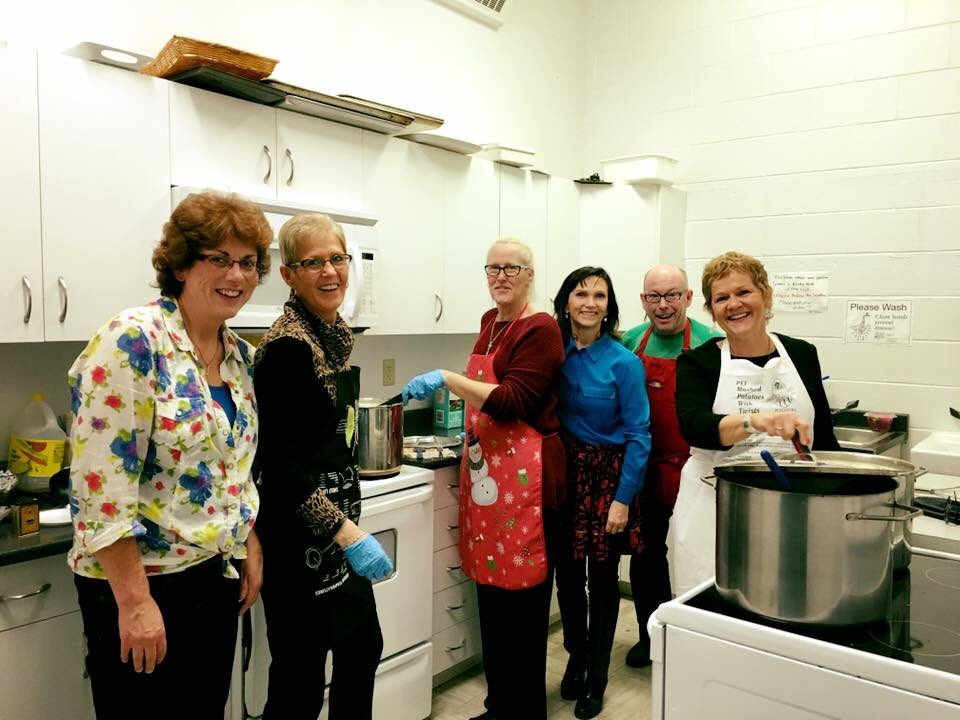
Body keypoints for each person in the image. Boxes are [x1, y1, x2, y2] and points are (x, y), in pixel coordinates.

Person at [67, 191, 271, 719]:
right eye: (219, 258)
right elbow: (101, 487)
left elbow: (233, 468)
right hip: (143, 583)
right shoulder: (133, 340)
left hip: (213, 576)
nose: (237, 275)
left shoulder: (240, 358)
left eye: (248, 262)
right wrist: (135, 603)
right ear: (181, 264)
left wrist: (247, 539)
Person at [403, 238, 565, 720]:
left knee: (524, 611)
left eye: (512, 268)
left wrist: (447, 378)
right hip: (489, 478)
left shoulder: (541, 328)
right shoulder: (490, 322)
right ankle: (500, 706)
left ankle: (524, 712)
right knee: (492, 601)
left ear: (530, 274)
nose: (501, 277)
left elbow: (513, 401)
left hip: (528, 485)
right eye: (493, 268)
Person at [253, 213, 393, 720]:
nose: (330, 271)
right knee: (300, 682)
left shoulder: (332, 334)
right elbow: (280, 467)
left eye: (337, 258)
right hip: (299, 541)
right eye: (313, 263)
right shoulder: (287, 348)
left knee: (362, 647)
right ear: (288, 275)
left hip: (336, 533)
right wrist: (347, 533)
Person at [672, 251, 840, 595]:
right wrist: (756, 422)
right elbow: (696, 427)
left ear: (766, 295)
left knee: (786, 598)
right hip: (715, 509)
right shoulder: (698, 363)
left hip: (792, 506)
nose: (734, 304)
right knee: (713, 605)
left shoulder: (802, 354)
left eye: (743, 292)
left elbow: (824, 438)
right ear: (711, 310)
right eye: (721, 298)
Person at [553, 267, 651, 720]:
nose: (590, 303)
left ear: (609, 306)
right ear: (566, 303)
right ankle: (576, 655)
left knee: (603, 581)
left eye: (600, 295)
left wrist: (623, 499)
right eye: (581, 293)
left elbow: (639, 435)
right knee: (568, 579)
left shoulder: (624, 363)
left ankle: (597, 676)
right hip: (565, 474)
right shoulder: (554, 353)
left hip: (608, 478)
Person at [619, 264, 721, 667]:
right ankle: (651, 638)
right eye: (654, 297)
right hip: (644, 470)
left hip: (696, 469)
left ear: (688, 297)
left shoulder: (712, 344)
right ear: (643, 301)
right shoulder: (630, 342)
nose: (663, 305)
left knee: (697, 558)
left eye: (672, 295)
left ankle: (699, 643)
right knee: (645, 559)